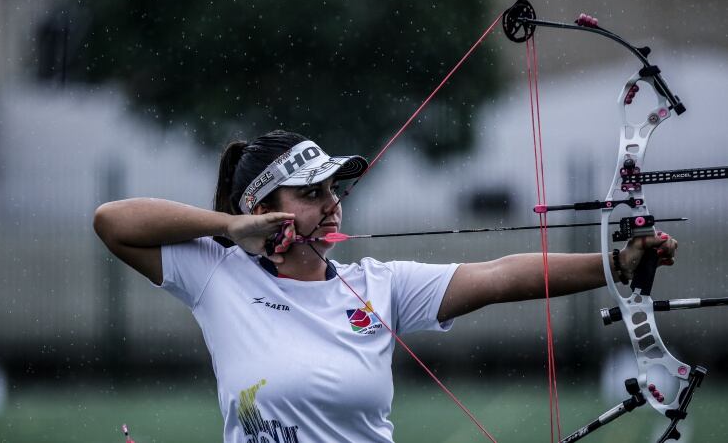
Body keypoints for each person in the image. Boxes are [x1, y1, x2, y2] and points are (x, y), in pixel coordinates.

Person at [93, 129, 677, 442]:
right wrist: (228, 228)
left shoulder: (379, 285)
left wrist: (616, 264)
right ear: (263, 210)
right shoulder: (217, 276)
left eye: (333, 190)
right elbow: (112, 222)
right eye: (312, 193)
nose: (332, 204)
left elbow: (500, 277)